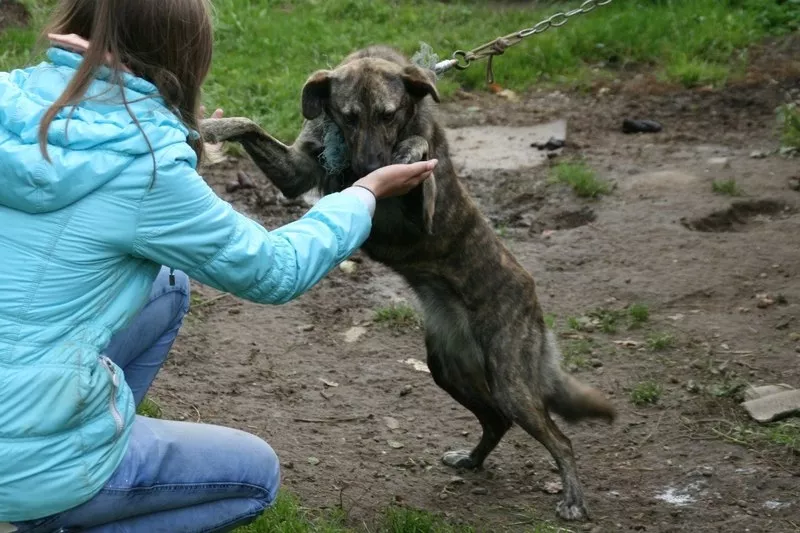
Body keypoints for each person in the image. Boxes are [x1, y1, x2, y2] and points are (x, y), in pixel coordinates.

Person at [0, 0, 437, 531]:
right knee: (256, 477)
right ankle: (59, 504)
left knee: (168, 288)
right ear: (181, 57)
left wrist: (167, 131)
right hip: (24, 465)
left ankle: (86, 441)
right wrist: (364, 192)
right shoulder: (149, 167)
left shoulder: (10, 97)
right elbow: (275, 269)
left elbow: (88, 166)